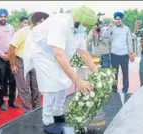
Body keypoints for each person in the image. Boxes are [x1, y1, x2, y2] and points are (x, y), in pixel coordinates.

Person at [23, 6, 98, 134]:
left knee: (64, 81)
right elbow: (58, 54)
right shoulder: (61, 23)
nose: (86, 27)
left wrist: (96, 72)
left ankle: (58, 113)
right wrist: (78, 81)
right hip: (42, 53)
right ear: (77, 19)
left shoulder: (79, 30)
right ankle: (47, 120)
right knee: (51, 84)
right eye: (85, 24)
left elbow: (84, 53)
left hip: (57, 53)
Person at [8, 22, 41, 113]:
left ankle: (37, 109)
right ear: (36, 22)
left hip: (34, 60)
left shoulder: (42, 31)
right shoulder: (21, 32)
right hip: (21, 60)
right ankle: (28, 112)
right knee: (24, 88)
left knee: (36, 86)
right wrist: (13, 64)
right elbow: (11, 48)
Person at [100, 12, 134, 93]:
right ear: (114, 19)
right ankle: (114, 90)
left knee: (125, 73)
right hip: (114, 54)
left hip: (124, 54)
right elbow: (104, 35)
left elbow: (129, 41)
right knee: (114, 73)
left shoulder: (126, 28)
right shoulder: (112, 27)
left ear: (121, 19)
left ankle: (125, 90)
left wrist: (131, 52)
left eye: (119, 19)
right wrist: (110, 25)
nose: (118, 20)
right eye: (116, 19)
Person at [0, 8, 20, 111]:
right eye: (1, 16)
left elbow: (14, 41)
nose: (3, 18)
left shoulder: (11, 27)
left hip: (11, 57)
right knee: (1, 81)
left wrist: (12, 54)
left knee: (13, 80)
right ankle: (1, 103)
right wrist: (1, 54)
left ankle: (12, 102)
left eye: (5, 16)